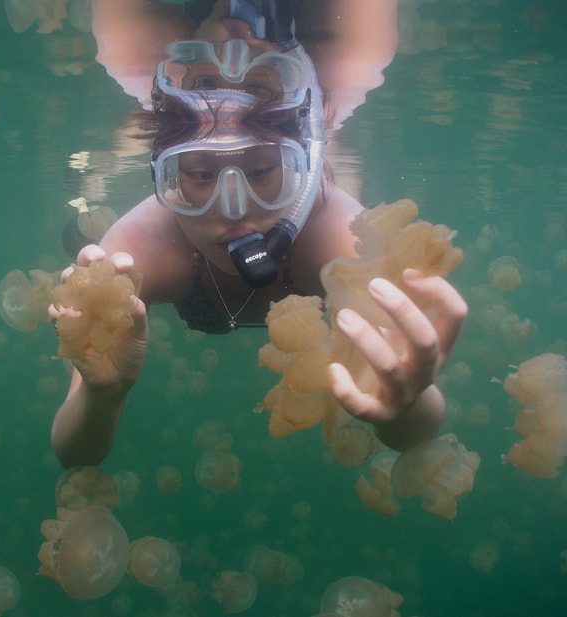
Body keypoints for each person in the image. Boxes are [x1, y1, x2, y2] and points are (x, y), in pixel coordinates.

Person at [49, 0, 468, 468]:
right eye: (201, 176)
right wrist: (101, 395)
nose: (234, 210)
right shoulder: (139, 246)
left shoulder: (336, 236)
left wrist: (409, 398)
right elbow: (74, 451)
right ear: (162, 175)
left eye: (265, 169)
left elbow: (412, 433)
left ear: (303, 166)